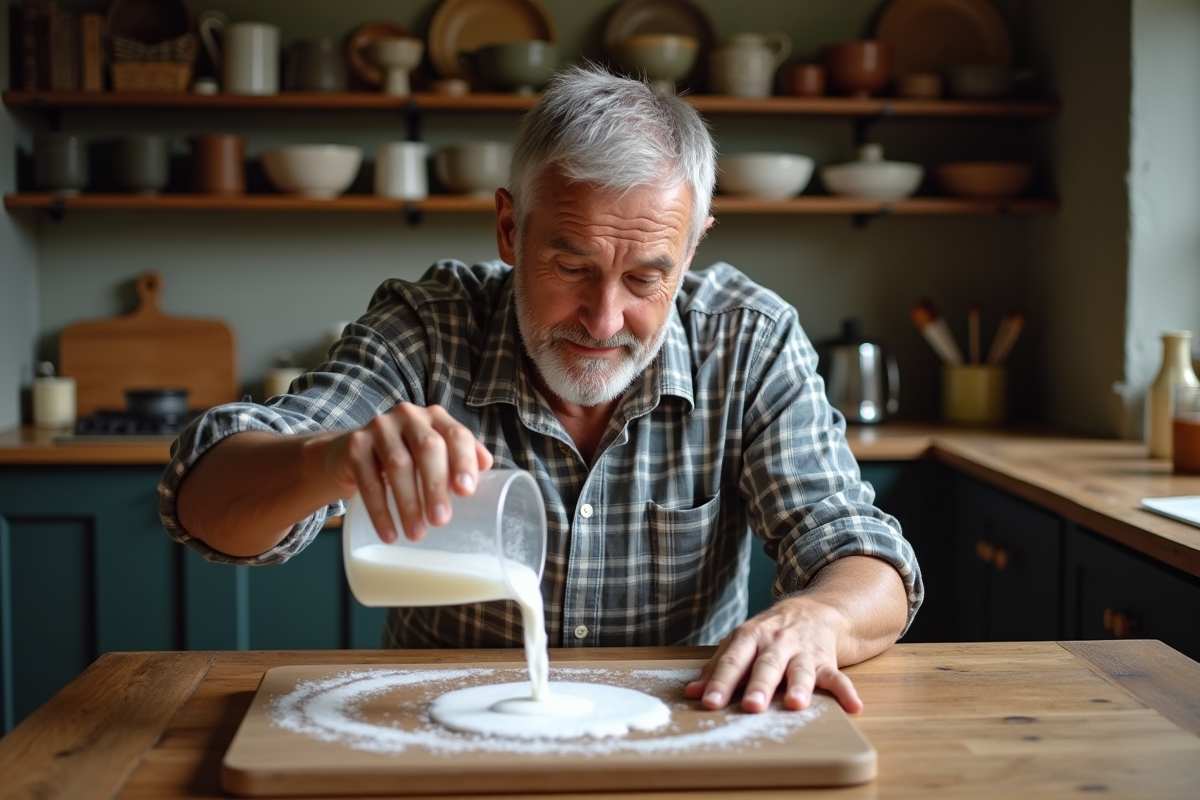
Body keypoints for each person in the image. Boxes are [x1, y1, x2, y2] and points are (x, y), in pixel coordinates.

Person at [160, 65, 922, 716]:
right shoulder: (429, 328)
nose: (603, 319)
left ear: (691, 248)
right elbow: (202, 502)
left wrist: (820, 617)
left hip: (674, 731)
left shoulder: (747, 341)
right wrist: (329, 460)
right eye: (571, 267)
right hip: (443, 735)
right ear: (509, 228)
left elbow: (862, 552)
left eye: (645, 278)